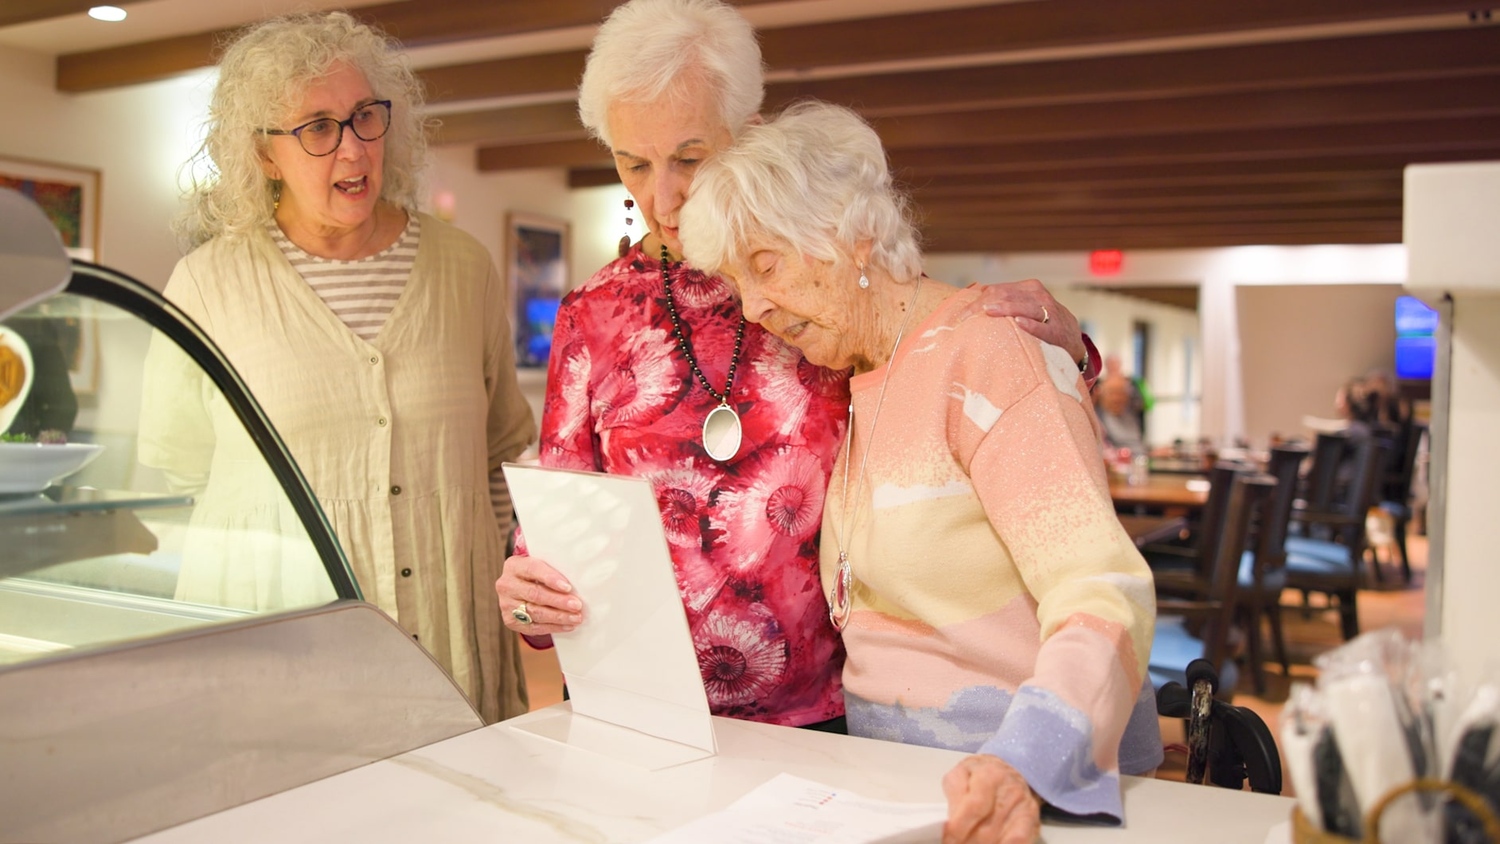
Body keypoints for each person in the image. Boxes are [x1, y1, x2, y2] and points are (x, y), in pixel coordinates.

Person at [493, 0, 1095, 732]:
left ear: (747, 135)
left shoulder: (823, 279)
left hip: (828, 718)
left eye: (689, 157)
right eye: (632, 162)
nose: (663, 197)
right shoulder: (594, 315)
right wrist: (530, 597)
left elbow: (950, 375)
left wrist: (1065, 351)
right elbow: (554, 544)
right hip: (634, 713)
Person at [679, 101, 1160, 840]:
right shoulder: (865, 375)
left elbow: (1103, 588)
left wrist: (1023, 766)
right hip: (895, 793)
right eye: (736, 283)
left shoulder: (987, 353)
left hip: (1018, 797)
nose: (753, 306)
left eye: (765, 265)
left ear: (854, 234)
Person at [137, 12, 536, 723]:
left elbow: (498, 453)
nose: (351, 150)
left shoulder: (462, 267)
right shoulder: (207, 283)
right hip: (283, 648)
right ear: (265, 155)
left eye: (364, 118)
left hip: (447, 643)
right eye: (317, 128)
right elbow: (180, 469)